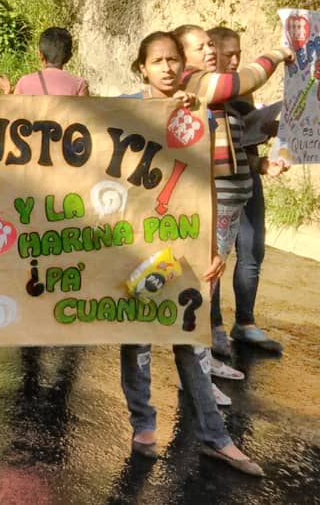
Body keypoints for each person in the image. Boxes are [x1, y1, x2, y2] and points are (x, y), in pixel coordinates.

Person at [120, 31, 262, 476]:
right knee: (136, 338)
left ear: (183, 66)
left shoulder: (200, 114)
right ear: (142, 67)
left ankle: (216, 438)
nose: (166, 67)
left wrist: (213, 244)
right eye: (156, 60)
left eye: (172, 60)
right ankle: (144, 425)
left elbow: (210, 180)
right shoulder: (123, 108)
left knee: (189, 339)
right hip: (132, 244)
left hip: (183, 245)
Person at [173, 24, 293, 366]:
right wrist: (277, 54)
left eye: (211, 44)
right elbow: (240, 81)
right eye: (201, 47)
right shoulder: (196, 82)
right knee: (205, 274)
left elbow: (228, 151)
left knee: (212, 270)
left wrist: (260, 164)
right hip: (214, 198)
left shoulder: (216, 97)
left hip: (232, 196)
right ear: (183, 58)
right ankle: (199, 358)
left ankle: (205, 354)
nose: (210, 51)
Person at [208, 26, 287, 353]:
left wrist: (264, 159)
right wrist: (279, 54)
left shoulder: (243, 92)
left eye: (239, 53)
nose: (235, 59)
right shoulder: (210, 87)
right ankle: (212, 328)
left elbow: (243, 143)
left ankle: (245, 323)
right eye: (229, 54)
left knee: (252, 250)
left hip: (246, 178)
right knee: (214, 257)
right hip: (216, 185)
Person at [0, 27, 88, 96]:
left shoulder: (24, 83)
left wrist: (7, 92)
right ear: (69, 57)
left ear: (40, 55)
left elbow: (13, 115)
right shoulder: (79, 85)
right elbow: (85, 120)